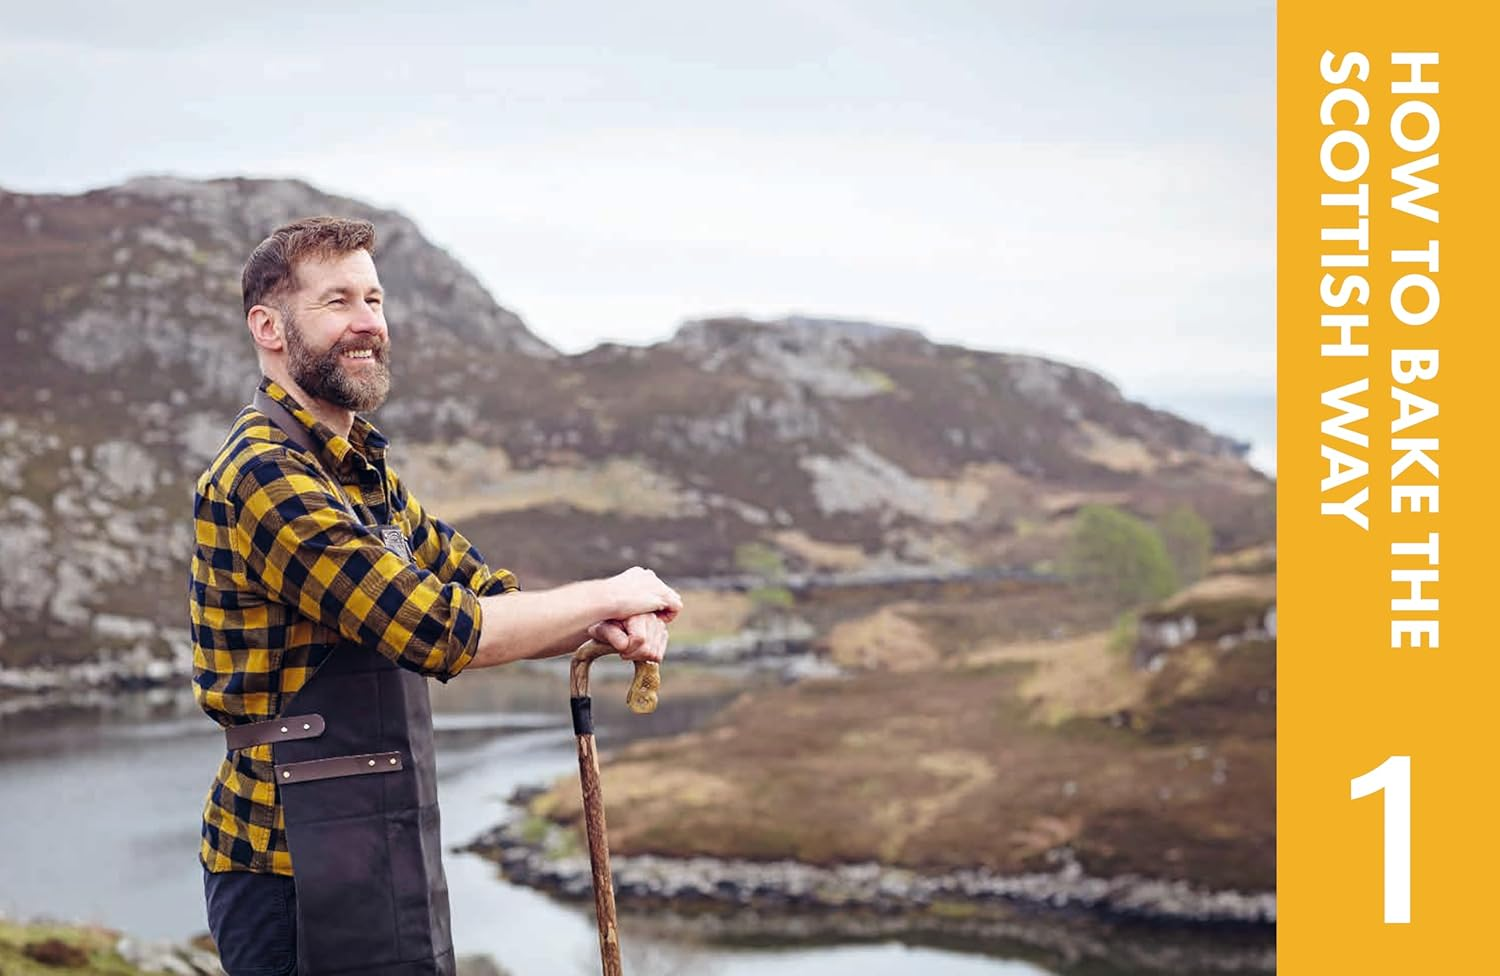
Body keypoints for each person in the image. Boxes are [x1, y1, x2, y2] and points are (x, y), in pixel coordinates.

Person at [189, 216, 683, 976]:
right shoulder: (264, 474)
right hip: (288, 873)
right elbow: (439, 630)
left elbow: (482, 591)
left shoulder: (361, 473)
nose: (367, 323)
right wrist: (610, 592)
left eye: (375, 300)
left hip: (382, 851)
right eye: (337, 302)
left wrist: (613, 622)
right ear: (269, 327)